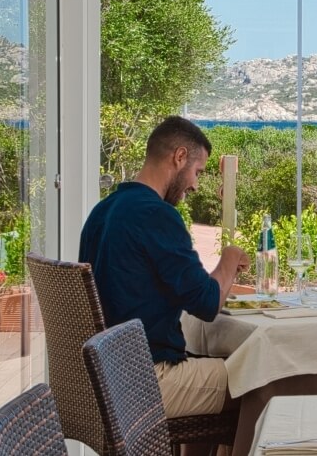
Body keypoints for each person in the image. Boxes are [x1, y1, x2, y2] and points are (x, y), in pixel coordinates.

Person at [79, 115, 253, 456]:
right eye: (198, 172)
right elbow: (205, 304)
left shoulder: (103, 210)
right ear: (179, 157)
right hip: (146, 379)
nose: (195, 185)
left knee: (216, 363)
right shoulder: (155, 214)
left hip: (107, 375)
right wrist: (230, 258)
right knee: (262, 379)